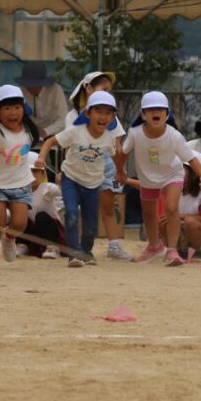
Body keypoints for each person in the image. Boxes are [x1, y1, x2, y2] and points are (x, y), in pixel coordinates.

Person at [118, 91, 201, 267]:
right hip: (147, 178)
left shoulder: (174, 135)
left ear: (167, 114)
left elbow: (191, 159)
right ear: (143, 115)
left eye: (160, 109)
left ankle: (171, 250)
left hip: (172, 174)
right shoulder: (135, 133)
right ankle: (154, 247)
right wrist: (121, 171)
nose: (156, 112)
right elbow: (123, 153)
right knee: (148, 213)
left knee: (171, 207)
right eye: (151, 109)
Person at [35, 90, 120, 267]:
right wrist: (41, 157)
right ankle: (74, 253)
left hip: (93, 184)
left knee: (91, 224)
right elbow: (50, 142)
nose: (103, 117)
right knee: (72, 214)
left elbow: (115, 156)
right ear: (88, 113)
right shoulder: (75, 131)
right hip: (71, 179)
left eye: (108, 113)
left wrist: (120, 173)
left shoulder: (109, 138)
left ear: (113, 117)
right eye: (98, 111)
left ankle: (86, 252)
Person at [64, 71, 132, 260]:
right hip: (80, 168)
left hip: (107, 166)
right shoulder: (73, 116)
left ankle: (113, 246)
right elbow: (68, 143)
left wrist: (120, 169)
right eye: (104, 89)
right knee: (77, 210)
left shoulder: (111, 116)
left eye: (110, 91)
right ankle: (76, 247)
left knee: (108, 207)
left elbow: (117, 144)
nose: (108, 93)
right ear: (88, 88)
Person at [0, 85, 40, 271]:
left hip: (21, 184)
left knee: (20, 223)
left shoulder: (27, 131)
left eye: (17, 107)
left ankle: (9, 238)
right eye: (7, 108)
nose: (13, 113)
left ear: (23, 109)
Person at [170, 152, 201, 260]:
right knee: (164, 221)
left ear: (194, 174)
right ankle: (175, 251)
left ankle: (198, 254)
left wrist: (181, 217)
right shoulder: (176, 190)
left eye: (182, 169)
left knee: (190, 223)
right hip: (184, 236)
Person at [15, 152, 66, 259]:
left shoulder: (47, 188)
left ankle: (53, 248)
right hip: (35, 234)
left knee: (41, 216)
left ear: (43, 174)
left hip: (53, 233)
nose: (31, 175)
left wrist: (62, 182)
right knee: (20, 215)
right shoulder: (19, 191)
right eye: (28, 171)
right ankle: (22, 245)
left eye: (35, 171)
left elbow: (62, 192)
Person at [16, 61, 67, 138]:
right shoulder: (20, 92)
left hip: (55, 134)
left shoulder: (56, 90)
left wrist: (46, 131)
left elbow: (63, 119)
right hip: (29, 135)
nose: (31, 88)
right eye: (28, 84)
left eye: (35, 85)